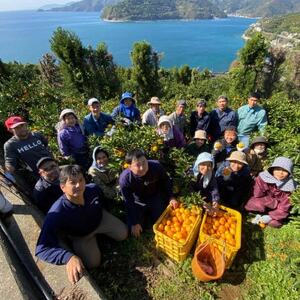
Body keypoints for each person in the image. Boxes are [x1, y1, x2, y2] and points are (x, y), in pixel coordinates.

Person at [35, 165, 128, 284]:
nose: (78, 185)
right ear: (63, 187)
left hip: (100, 220)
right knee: (92, 263)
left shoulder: (93, 189)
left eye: (80, 180)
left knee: (123, 234)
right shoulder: (56, 213)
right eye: (72, 182)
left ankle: (102, 233)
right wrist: (68, 257)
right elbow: (41, 249)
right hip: (82, 235)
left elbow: (103, 202)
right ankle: (89, 242)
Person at [119, 149, 177, 238]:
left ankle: (152, 213)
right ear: (130, 167)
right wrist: (134, 223)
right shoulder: (125, 179)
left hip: (155, 196)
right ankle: (144, 217)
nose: (142, 167)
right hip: (138, 200)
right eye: (137, 165)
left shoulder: (156, 166)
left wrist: (171, 197)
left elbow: (166, 181)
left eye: (144, 162)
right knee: (134, 227)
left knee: (163, 222)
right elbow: (128, 201)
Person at [245, 157, 297, 228]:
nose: (280, 173)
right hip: (264, 202)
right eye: (278, 169)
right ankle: (260, 214)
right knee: (251, 204)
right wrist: (273, 202)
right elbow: (257, 194)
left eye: (285, 171)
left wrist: (271, 216)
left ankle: (266, 217)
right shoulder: (263, 178)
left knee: (275, 223)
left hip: (277, 209)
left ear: (289, 173)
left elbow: (284, 208)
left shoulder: (290, 187)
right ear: (273, 169)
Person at [4, 116, 53, 186]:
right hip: (40, 176)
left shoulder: (37, 135)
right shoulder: (10, 145)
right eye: (17, 127)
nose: (21, 128)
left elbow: (46, 145)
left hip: (54, 168)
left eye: (22, 125)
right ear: (10, 130)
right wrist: (8, 175)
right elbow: (10, 163)